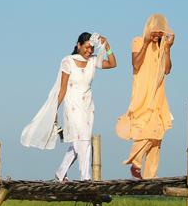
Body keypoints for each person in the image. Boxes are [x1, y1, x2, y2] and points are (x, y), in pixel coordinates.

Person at [21, 32, 117, 181]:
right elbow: (62, 88)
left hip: (87, 107)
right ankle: (85, 177)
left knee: (78, 141)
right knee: (83, 140)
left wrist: (107, 45)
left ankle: (60, 173)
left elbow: (112, 64)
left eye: (91, 48)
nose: (89, 51)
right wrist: (55, 109)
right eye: (86, 47)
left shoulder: (92, 61)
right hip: (72, 106)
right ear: (78, 45)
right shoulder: (68, 61)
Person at [116, 13, 174, 180]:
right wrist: (147, 41)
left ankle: (149, 176)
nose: (157, 35)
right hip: (143, 95)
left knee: (158, 137)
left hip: (158, 96)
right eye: (155, 31)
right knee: (147, 132)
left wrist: (168, 49)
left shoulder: (162, 47)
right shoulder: (138, 41)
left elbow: (167, 70)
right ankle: (135, 162)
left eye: (160, 33)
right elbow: (136, 63)